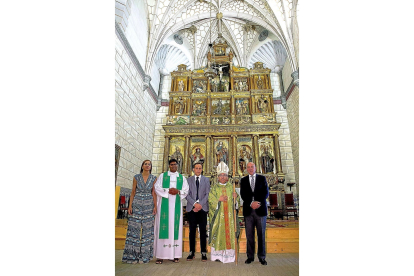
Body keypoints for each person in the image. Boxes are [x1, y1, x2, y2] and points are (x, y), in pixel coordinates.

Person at [153, 159, 189, 264]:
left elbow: (186, 190)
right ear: (169, 166)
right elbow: (156, 187)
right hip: (164, 206)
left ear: (177, 166)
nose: (173, 166)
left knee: (175, 229)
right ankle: (160, 255)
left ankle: (174, 255)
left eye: (175, 164)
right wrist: (168, 191)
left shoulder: (181, 178)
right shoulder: (162, 176)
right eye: (171, 164)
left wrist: (178, 191)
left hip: (176, 207)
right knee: (163, 228)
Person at [122, 160, 157, 264]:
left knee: (147, 230)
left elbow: (154, 193)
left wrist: (155, 206)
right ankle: (131, 256)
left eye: (149, 164)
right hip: (136, 203)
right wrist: (130, 206)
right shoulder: (136, 177)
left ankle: (144, 257)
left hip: (148, 205)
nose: (147, 165)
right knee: (134, 229)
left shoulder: (154, 178)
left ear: (151, 167)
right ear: (142, 166)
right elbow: (133, 191)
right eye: (145, 164)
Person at [208, 162, 240, 263]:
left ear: (227, 176)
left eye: (224, 175)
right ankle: (218, 256)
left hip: (230, 219)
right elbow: (210, 200)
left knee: (230, 235)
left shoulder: (232, 187)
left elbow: (237, 204)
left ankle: (229, 256)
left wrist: (236, 199)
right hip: (219, 218)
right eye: (221, 175)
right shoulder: (214, 188)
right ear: (217, 177)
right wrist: (218, 200)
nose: (222, 177)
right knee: (219, 235)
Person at [240, 162, 269, 265]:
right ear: (246, 169)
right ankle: (250, 256)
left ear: (255, 168)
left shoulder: (262, 178)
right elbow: (243, 194)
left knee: (261, 234)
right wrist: (251, 203)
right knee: (249, 235)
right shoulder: (243, 180)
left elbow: (265, 192)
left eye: (252, 167)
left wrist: (257, 202)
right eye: (248, 167)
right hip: (248, 210)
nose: (250, 168)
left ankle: (262, 257)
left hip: (260, 210)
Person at [186, 163, 210, 262]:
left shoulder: (206, 180)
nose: (198, 170)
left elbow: (208, 194)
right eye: (196, 168)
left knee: (203, 231)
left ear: (202, 169)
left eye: (200, 168)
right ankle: (191, 252)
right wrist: (195, 204)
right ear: (193, 169)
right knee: (192, 231)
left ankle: (203, 252)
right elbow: (186, 194)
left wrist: (200, 204)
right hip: (192, 208)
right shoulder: (188, 180)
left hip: (203, 208)